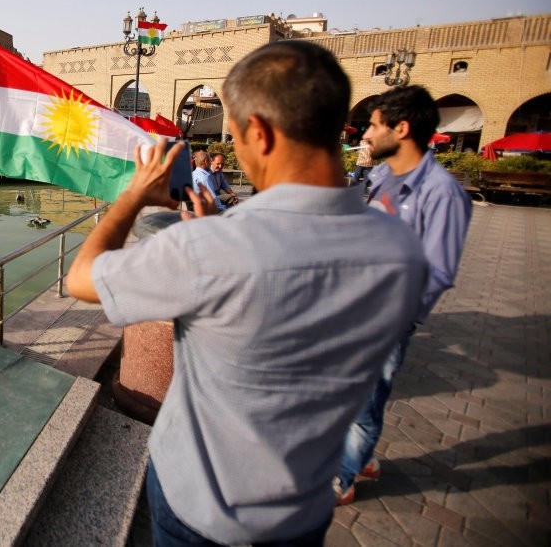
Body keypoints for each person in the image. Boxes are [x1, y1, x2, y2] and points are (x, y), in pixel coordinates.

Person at [66, 41, 428, 546]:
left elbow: (82, 278)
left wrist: (132, 194)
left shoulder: (210, 251)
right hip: (302, 508)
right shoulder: (403, 250)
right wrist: (221, 230)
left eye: (233, 136)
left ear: (258, 133)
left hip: (201, 506)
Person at [334, 85, 472, 505]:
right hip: (355, 308)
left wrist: (399, 321)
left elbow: (440, 271)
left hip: (386, 318)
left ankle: (342, 477)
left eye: (375, 125)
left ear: (403, 128)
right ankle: (363, 458)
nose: (367, 134)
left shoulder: (442, 193)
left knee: (364, 402)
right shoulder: (378, 176)